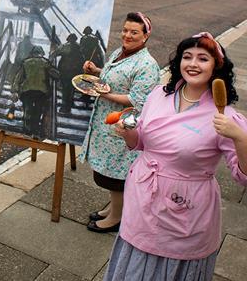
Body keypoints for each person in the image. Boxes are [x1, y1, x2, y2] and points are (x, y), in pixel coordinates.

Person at [104, 32, 247, 280]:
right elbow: (142, 143)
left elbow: (244, 177)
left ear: (216, 67)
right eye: (187, 57)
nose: (192, 64)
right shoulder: (159, 95)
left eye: (203, 58)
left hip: (186, 211)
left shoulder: (224, 116)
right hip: (141, 200)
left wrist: (241, 138)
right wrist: (128, 134)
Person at [78, 12, 160, 233]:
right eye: (125, 30)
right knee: (107, 172)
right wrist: (96, 71)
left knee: (116, 176)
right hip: (106, 124)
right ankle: (114, 208)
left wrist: (102, 94)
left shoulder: (146, 64)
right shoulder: (119, 53)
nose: (127, 35)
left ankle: (116, 218)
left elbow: (137, 100)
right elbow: (111, 77)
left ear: (145, 36)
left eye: (134, 32)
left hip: (122, 126)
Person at [11, 45, 59, 137]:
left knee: (27, 110)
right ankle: (35, 130)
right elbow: (55, 75)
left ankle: (27, 129)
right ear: (41, 53)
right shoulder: (45, 62)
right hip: (41, 92)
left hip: (27, 91)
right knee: (38, 111)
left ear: (33, 53)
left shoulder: (26, 62)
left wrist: (15, 90)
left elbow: (18, 78)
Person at [51, 33, 84, 114]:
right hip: (75, 71)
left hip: (65, 71)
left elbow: (56, 53)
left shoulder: (66, 46)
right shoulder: (79, 47)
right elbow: (82, 59)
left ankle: (64, 107)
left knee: (65, 89)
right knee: (71, 89)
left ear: (68, 39)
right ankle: (69, 106)